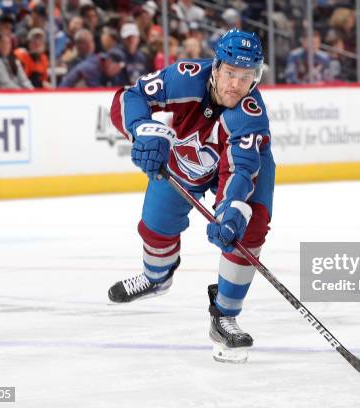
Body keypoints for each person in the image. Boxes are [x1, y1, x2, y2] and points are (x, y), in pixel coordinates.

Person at [107, 29, 274, 364]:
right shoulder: (184, 78)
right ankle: (156, 278)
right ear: (215, 68)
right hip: (186, 154)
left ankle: (224, 315)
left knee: (249, 227)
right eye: (229, 73)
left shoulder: (250, 115)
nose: (234, 85)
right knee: (156, 223)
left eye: (245, 77)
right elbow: (130, 96)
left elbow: (240, 172)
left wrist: (231, 210)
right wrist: (144, 130)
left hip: (240, 167)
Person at [59, 47, 128, 87]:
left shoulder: (105, 68)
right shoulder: (91, 68)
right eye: (117, 67)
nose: (117, 71)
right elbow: (97, 93)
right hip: (64, 96)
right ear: (109, 61)